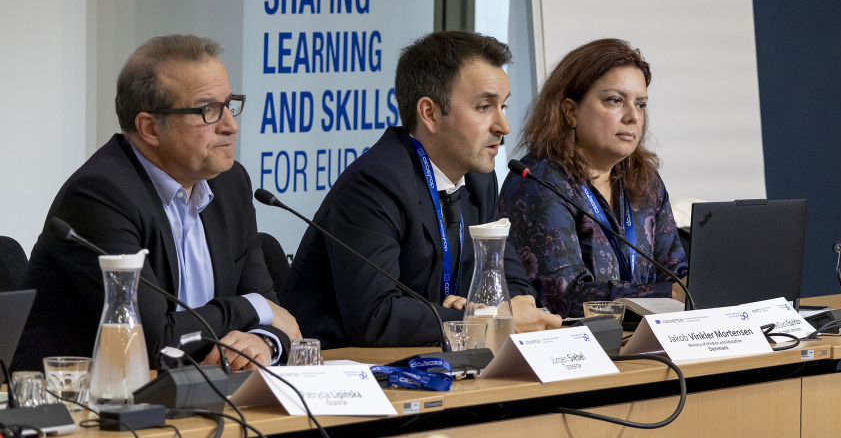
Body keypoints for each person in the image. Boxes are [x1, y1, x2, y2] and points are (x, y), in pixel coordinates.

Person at [13, 35, 301, 371]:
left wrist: (262, 341)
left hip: (199, 397)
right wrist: (251, 308)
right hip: (79, 408)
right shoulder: (99, 196)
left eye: (229, 104)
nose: (231, 126)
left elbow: (275, 318)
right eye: (208, 110)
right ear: (150, 128)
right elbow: (151, 345)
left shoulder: (230, 184)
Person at [279, 31, 561, 348]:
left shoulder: (479, 178)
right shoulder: (374, 184)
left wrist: (500, 307)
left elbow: (508, 277)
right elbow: (376, 317)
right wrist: (478, 320)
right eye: (484, 107)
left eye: (503, 107)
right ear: (429, 113)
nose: (503, 126)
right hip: (345, 372)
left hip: (437, 360)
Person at [499, 39, 687, 318]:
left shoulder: (645, 181)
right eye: (615, 100)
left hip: (646, 341)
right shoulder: (539, 182)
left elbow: (677, 272)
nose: (633, 117)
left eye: (641, 104)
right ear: (570, 111)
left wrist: (691, 287)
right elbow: (562, 296)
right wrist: (667, 296)